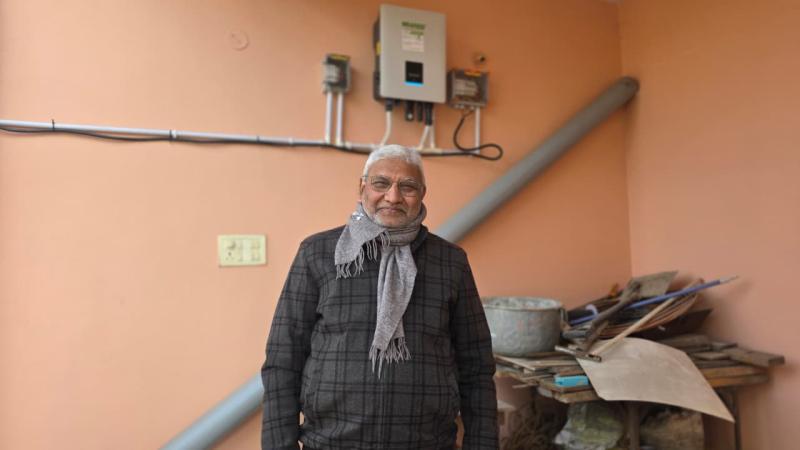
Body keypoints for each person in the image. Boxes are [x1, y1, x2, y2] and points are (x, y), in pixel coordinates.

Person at [261, 145, 498, 450]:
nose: (393, 196)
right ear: (362, 188)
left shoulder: (450, 262)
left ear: (422, 194)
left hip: (427, 443)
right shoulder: (318, 253)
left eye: (407, 187)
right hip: (332, 442)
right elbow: (283, 359)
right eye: (381, 183)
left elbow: (476, 367)